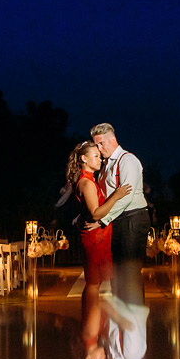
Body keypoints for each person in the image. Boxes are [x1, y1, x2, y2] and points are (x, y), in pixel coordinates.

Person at [89, 123, 150, 304]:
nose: (99, 149)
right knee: (118, 272)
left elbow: (126, 197)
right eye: (96, 145)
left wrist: (102, 220)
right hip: (118, 220)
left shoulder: (128, 160)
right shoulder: (106, 165)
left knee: (130, 272)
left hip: (133, 218)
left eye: (101, 144)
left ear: (113, 139)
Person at [65, 141, 131, 306]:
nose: (100, 159)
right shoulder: (86, 183)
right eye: (96, 156)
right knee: (93, 284)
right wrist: (116, 196)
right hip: (95, 239)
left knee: (95, 283)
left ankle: (91, 322)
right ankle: (89, 325)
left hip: (99, 236)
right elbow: (95, 213)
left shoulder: (89, 181)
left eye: (100, 156)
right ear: (84, 159)